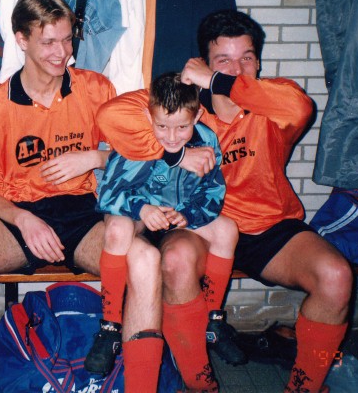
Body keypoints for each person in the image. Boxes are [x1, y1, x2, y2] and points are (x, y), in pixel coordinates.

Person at [96, 9, 353, 393]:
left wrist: (218, 80)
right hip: (200, 224)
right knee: (176, 261)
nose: (237, 69)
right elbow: (112, 117)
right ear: (201, 63)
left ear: (258, 62)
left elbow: (302, 108)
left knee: (336, 277)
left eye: (246, 58)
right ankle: (201, 383)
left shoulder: (272, 108)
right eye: (223, 61)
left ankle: (304, 388)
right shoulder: (189, 113)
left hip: (269, 226)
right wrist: (176, 152)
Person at [0, 0, 163, 393]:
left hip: (86, 216)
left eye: (67, 40)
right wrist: (23, 219)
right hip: (18, 219)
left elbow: (144, 155)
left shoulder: (96, 89)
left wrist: (94, 158)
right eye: (49, 42)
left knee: (145, 260)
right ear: (21, 39)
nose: (62, 52)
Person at [85, 73, 242, 390]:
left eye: (182, 127)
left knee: (227, 229)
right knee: (116, 229)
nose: (172, 137)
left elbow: (213, 192)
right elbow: (109, 194)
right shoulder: (136, 139)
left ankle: (213, 320)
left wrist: (188, 214)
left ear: (196, 116)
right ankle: (110, 326)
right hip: (140, 215)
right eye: (162, 127)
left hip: (179, 216)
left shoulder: (207, 140)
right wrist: (143, 208)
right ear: (148, 117)